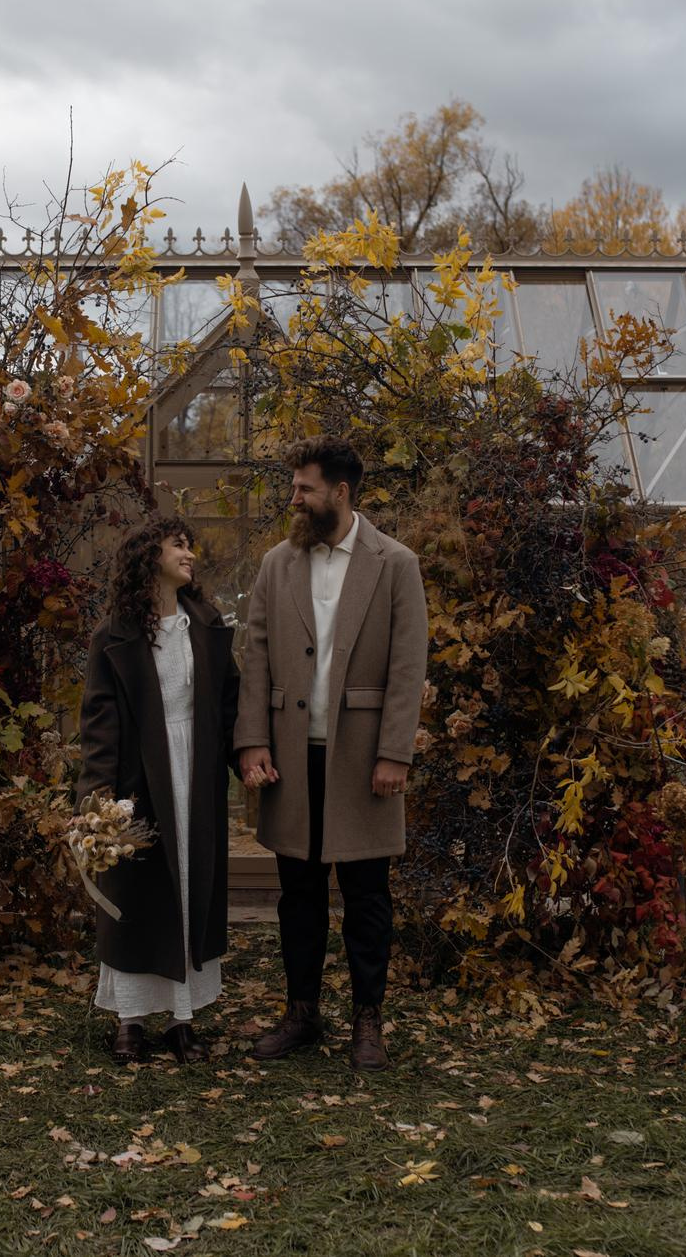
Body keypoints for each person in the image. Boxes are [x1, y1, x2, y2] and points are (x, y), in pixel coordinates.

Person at [234, 436, 428, 1071]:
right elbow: (255, 656)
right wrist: (253, 741)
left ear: (341, 493)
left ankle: (367, 1021)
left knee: (369, 895)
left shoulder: (395, 563)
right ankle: (302, 1013)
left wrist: (395, 752)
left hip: (365, 758)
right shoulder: (276, 564)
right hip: (293, 754)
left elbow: (407, 666)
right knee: (299, 894)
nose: (294, 498)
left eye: (305, 488)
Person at [78, 514, 240, 1063]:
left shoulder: (207, 624)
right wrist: (99, 802)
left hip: (196, 775)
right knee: (137, 897)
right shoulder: (114, 635)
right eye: (178, 545)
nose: (189, 553)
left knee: (190, 887)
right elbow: (99, 724)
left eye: (190, 545)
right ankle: (130, 1021)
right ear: (151, 557)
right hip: (138, 778)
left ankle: (183, 1019)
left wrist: (249, 761)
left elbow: (228, 706)